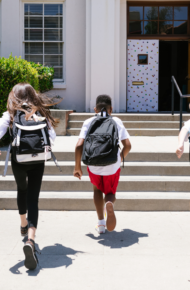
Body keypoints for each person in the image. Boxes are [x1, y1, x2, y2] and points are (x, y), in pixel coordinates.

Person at [0, 83, 58, 270]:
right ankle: (31, 241)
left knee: (21, 189)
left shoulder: (10, 115)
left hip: (19, 160)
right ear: (34, 95)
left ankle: (23, 223)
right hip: (38, 160)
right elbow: (53, 138)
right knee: (33, 198)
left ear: (14, 96)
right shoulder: (40, 113)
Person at [73, 95, 131, 233]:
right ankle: (109, 203)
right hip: (112, 165)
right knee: (110, 192)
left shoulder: (88, 121)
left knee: (97, 190)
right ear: (111, 109)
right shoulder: (116, 121)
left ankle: (100, 223)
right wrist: (120, 158)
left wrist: (77, 167)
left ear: (95, 109)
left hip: (93, 164)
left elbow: (78, 146)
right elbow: (128, 145)